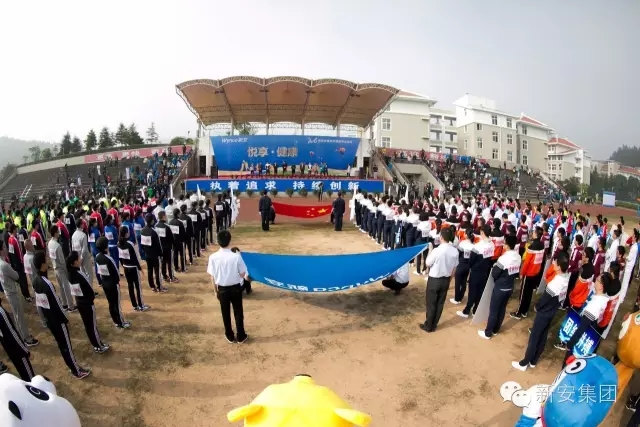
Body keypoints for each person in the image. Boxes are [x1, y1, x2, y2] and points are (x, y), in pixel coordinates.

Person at [32, 251, 91, 379]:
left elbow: (39, 304)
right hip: (58, 321)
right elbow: (57, 303)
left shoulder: (35, 281)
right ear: (42, 264)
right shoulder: (47, 284)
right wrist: (65, 319)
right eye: (45, 259)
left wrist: (44, 320)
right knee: (66, 346)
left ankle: (71, 366)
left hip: (49, 320)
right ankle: (76, 371)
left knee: (61, 345)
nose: (47, 261)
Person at [512, 251, 570, 371]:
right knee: (543, 335)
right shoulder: (566, 278)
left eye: (555, 262)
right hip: (552, 311)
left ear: (559, 266)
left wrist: (537, 306)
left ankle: (524, 363)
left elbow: (545, 298)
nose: (553, 263)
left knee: (534, 336)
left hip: (545, 312)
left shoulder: (556, 282)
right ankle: (534, 360)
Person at [206, 230, 248, 343]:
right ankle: (241, 335)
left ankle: (229, 335)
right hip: (236, 288)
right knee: (238, 312)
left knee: (225, 313)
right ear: (230, 240)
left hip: (222, 289)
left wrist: (215, 291)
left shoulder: (213, 257)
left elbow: (212, 277)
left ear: (218, 241)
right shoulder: (236, 257)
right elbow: (243, 274)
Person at [66, 251, 110, 353]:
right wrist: (91, 299)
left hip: (79, 301)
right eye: (78, 258)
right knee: (92, 325)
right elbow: (89, 289)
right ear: (74, 262)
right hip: (87, 303)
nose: (80, 259)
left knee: (87, 325)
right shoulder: (79, 274)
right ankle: (99, 346)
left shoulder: (69, 274)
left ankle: (95, 344)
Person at [478, 235, 521, 339]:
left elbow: (495, 273)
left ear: (507, 245)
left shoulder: (504, 258)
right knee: (502, 309)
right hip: (510, 286)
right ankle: (496, 329)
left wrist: (495, 268)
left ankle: (488, 333)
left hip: (500, 287)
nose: (503, 244)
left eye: (504, 243)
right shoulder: (518, 257)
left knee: (494, 310)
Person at [420, 227, 459, 332]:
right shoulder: (455, 251)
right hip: (446, 280)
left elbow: (428, 263)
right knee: (440, 304)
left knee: (431, 303)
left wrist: (430, 250)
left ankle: (428, 325)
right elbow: (454, 269)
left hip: (434, 280)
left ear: (441, 237)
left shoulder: (437, 250)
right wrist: (449, 280)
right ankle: (434, 325)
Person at [0, 242, 38, 346]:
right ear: (1, 250)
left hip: (8, 291)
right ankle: (26, 338)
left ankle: (22, 335)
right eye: (4, 247)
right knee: (19, 316)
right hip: (12, 292)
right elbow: (16, 276)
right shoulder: (4, 265)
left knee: (17, 315)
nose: (6, 249)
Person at [457, 225, 495, 318]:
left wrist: (470, 266)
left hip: (476, 272)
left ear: (482, 232)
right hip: (485, 272)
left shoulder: (478, 246)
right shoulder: (492, 244)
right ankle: (475, 311)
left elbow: (471, 260)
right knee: (480, 291)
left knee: (472, 292)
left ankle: (466, 311)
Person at [95, 237, 131, 329]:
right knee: (116, 304)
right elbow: (116, 273)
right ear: (105, 247)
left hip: (104, 283)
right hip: (113, 284)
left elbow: (98, 271)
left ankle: (115, 321)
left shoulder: (97, 257)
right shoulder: (109, 259)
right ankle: (121, 323)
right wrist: (117, 282)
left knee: (111, 303)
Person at [510, 226, 545, 319]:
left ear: (536, 234)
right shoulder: (542, 245)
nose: (532, 233)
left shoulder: (532, 246)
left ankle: (519, 312)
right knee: (529, 293)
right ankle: (525, 311)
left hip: (529, 273)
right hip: (536, 273)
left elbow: (527, 262)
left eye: (533, 232)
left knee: (523, 293)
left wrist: (522, 273)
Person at [0, 299, 34, 380]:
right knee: (29, 377)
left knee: (22, 372)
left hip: (8, 347)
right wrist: (25, 351)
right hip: (17, 349)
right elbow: (12, 333)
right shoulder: (1, 312)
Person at [118, 226, 149, 311]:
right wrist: (140, 268)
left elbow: (120, 257)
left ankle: (135, 306)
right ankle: (141, 306)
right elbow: (135, 258)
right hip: (133, 268)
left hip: (126, 267)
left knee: (130, 286)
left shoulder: (118, 244)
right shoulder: (129, 244)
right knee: (138, 287)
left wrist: (123, 265)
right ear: (126, 234)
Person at [48, 225, 76, 312]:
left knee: (61, 287)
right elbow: (62, 261)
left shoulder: (49, 243)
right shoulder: (57, 246)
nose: (59, 233)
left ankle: (64, 304)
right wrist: (66, 270)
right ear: (55, 233)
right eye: (58, 231)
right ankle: (71, 306)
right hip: (61, 269)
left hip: (55, 268)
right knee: (66, 287)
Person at [141, 214, 167, 293]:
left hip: (147, 254)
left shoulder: (142, 230)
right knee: (157, 271)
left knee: (150, 270)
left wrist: (145, 252)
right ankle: (159, 287)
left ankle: (152, 286)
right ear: (152, 221)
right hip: (155, 255)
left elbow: (142, 244)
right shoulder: (154, 231)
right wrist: (161, 254)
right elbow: (158, 245)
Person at [7, 224, 31, 301]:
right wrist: (22, 262)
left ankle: (25, 295)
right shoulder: (15, 240)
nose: (17, 230)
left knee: (21, 280)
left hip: (15, 263)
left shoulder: (10, 239)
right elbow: (20, 252)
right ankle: (27, 295)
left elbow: (11, 252)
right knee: (24, 280)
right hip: (19, 263)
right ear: (14, 230)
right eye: (16, 229)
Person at [71, 218, 96, 296]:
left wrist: (77, 258)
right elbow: (84, 248)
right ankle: (90, 291)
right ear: (81, 225)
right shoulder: (83, 235)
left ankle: (85, 290)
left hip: (78, 258)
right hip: (84, 258)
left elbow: (73, 247)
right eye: (82, 223)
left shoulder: (73, 235)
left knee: (83, 274)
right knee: (89, 274)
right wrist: (81, 258)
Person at [450, 227, 475, 305]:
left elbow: (458, 254)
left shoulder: (462, 243)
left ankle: (456, 299)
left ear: (466, 235)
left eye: (465, 233)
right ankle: (460, 297)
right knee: (464, 282)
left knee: (457, 283)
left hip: (460, 265)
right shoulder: (473, 246)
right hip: (468, 266)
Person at [156, 211, 177, 283]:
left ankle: (164, 276)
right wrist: (173, 246)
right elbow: (172, 238)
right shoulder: (167, 227)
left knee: (163, 262)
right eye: (166, 215)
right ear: (163, 216)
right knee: (170, 263)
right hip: (167, 248)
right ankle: (171, 277)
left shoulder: (156, 226)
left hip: (160, 248)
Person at [170, 208, 186, 273]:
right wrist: (183, 240)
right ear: (178, 214)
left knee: (175, 254)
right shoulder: (180, 222)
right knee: (182, 255)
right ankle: (183, 268)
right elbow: (183, 233)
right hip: (180, 241)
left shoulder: (170, 222)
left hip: (173, 241)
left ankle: (176, 267)